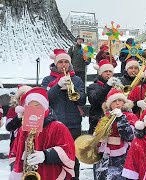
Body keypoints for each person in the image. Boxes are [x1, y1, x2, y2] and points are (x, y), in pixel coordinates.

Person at [9, 87, 75, 180]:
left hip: (52, 175)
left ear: (45, 107)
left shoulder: (58, 127)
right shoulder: (23, 129)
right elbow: (14, 153)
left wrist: (45, 155)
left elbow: (68, 151)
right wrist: (20, 160)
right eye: (30, 106)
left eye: (37, 105)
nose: (34, 109)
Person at [41, 49, 86, 180]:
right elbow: (44, 99)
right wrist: (57, 86)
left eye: (66, 62)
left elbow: (82, 99)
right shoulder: (47, 79)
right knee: (55, 156)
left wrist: (73, 89)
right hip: (53, 125)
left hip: (73, 125)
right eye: (60, 62)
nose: (63, 65)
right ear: (56, 64)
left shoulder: (77, 79)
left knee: (73, 157)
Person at [95, 88, 138, 179]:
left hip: (122, 157)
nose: (118, 103)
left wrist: (121, 118)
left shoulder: (130, 116)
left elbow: (129, 136)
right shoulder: (105, 117)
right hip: (105, 157)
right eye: (114, 101)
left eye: (120, 100)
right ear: (110, 105)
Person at [88, 58, 120, 134]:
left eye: (110, 71)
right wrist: (108, 86)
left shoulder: (117, 85)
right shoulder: (93, 86)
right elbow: (94, 100)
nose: (108, 73)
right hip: (98, 120)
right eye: (105, 71)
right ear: (100, 73)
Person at [6, 85, 32, 169]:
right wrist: (18, 117)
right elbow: (8, 127)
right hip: (16, 145)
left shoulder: (35, 109)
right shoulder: (13, 110)